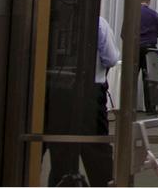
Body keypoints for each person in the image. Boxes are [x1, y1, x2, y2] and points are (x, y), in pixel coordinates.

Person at [49, 16, 119, 186]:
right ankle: (104, 184)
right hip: (92, 94)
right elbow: (111, 58)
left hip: (58, 92)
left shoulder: (55, 20)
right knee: (97, 148)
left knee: (61, 149)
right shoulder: (99, 23)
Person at [137, 0, 158, 110]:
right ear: (149, 1)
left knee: (131, 78)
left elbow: (123, 32)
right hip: (150, 48)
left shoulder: (132, 13)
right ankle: (151, 108)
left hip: (135, 48)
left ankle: (129, 106)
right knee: (150, 78)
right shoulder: (154, 14)